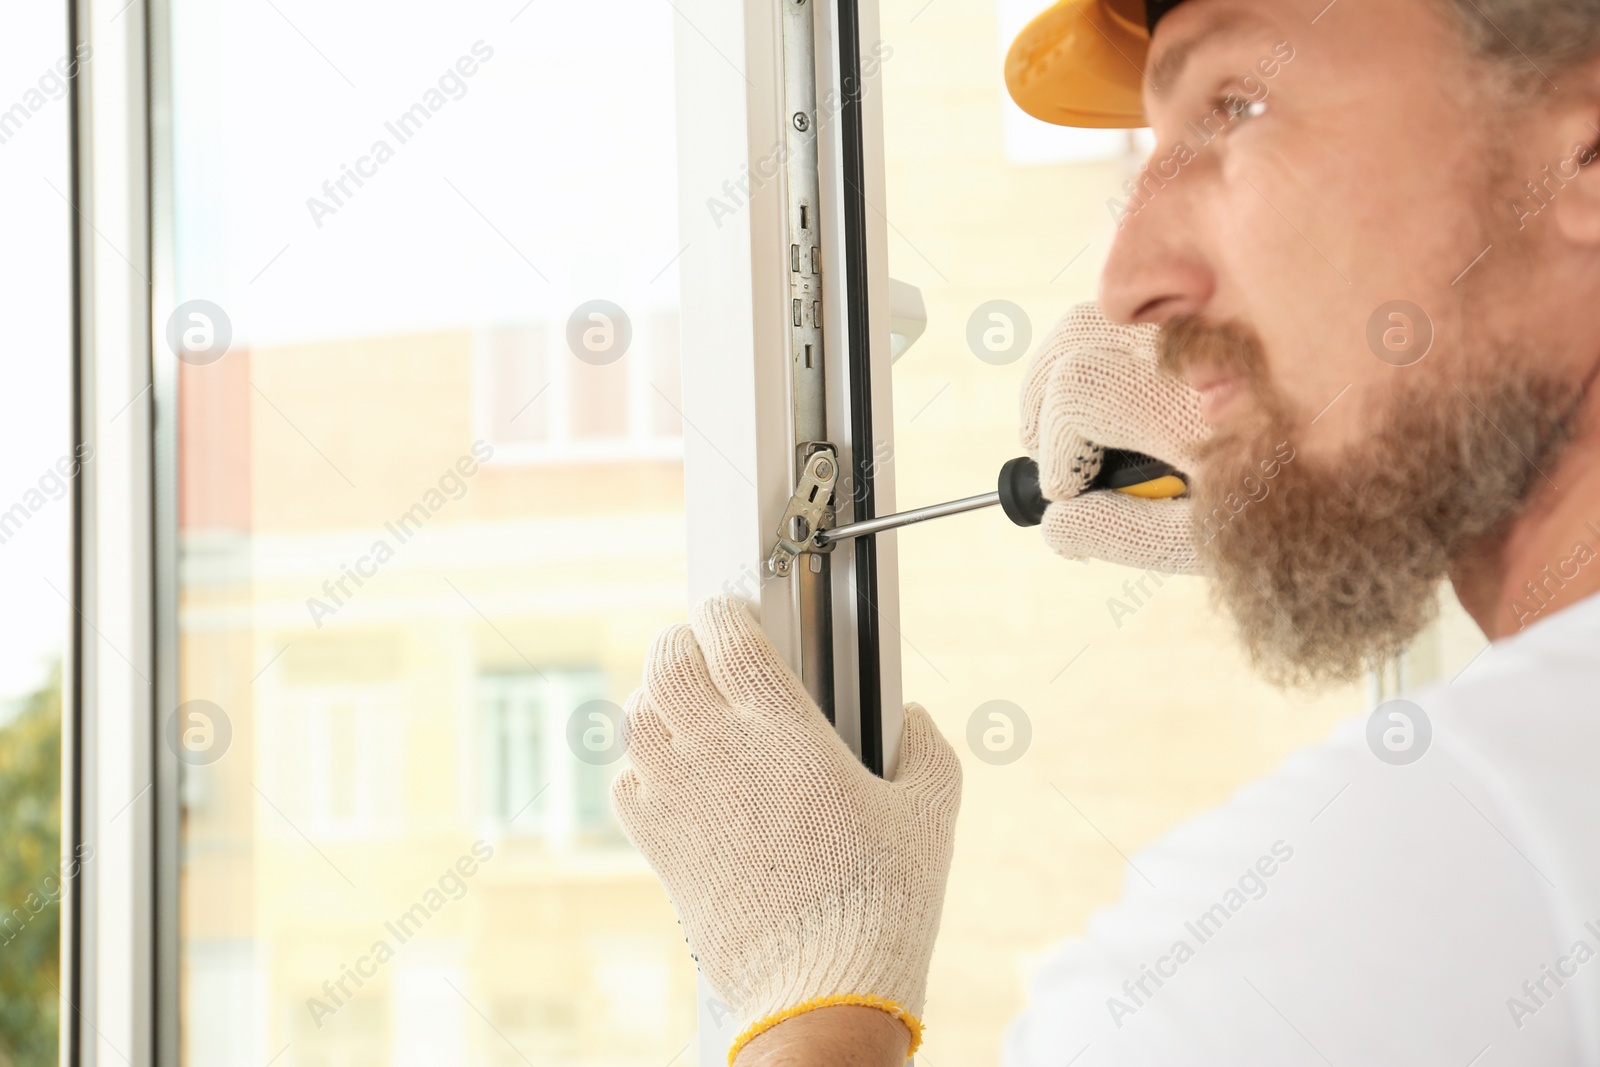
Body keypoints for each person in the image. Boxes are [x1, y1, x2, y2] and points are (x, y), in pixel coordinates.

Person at [611, 0, 1600, 1062]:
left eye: (1240, 105)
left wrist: (808, 992)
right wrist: (1300, 451)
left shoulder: (1391, 908)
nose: (1127, 283)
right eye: (1151, 145)